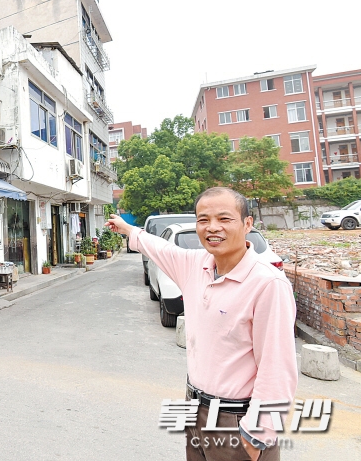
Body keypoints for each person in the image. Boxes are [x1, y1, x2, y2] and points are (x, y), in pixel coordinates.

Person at [105, 187, 297, 461]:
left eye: (224, 219)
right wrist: (127, 229)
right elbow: (159, 247)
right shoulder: (197, 265)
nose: (212, 228)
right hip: (195, 408)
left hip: (237, 418)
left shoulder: (267, 283)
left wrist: (258, 433)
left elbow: (277, 365)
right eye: (203, 220)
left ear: (247, 224)